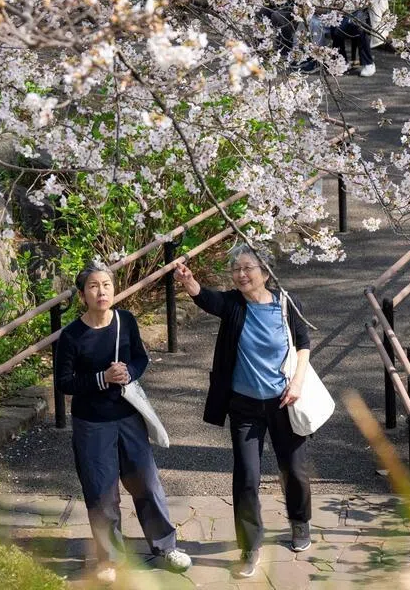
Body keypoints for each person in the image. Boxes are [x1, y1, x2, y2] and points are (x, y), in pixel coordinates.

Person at [174, 244, 314, 579]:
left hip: (284, 401)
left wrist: (296, 383)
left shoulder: (285, 302)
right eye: (236, 269)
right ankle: (250, 545)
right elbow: (206, 298)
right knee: (247, 477)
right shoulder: (233, 304)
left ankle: (300, 521)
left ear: (265, 272)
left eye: (248, 267)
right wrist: (188, 280)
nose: (241, 274)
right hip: (244, 407)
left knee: (293, 469)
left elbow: (304, 343)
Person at [54, 262, 191, 585]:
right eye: (93, 286)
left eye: (106, 285)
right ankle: (109, 558)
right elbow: (64, 381)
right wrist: (102, 378)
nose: (101, 292)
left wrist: (130, 372)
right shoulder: (72, 335)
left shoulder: (125, 321)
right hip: (92, 423)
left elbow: (140, 358)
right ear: (82, 294)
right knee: (101, 492)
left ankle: (166, 546)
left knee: (146, 482)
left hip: (128, 417)